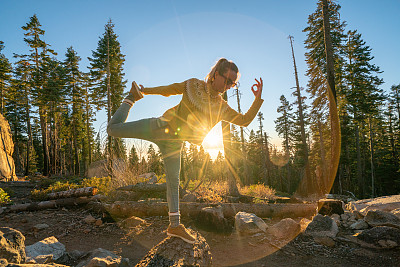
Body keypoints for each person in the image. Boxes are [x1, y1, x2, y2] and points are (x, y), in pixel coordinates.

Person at [107, 58, 263, 244]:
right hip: (159, 127)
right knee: (112, 129)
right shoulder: (193, 85)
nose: (230, 86)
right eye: (228, 80)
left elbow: (244, 121)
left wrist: (257, 99)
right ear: (215, 75)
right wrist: (143, 91)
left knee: (173, 183)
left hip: (175, 143)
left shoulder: (221, 106)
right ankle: (130, 98)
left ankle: (174, 226)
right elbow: (169, 89)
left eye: (233, 83)